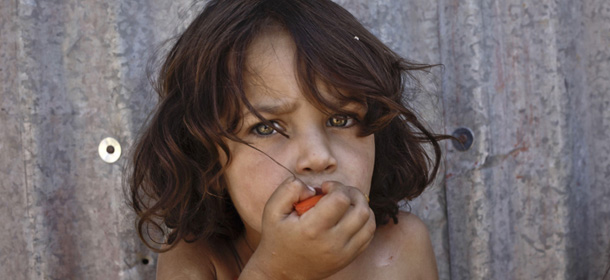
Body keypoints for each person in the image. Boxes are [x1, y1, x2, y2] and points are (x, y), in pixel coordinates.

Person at [128, 0, 446, 279]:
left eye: (340, 119)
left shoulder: (401, 246)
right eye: (266, 127)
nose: (318, 157)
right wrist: (279, 271)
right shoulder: (199, 260)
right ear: (208, 159)